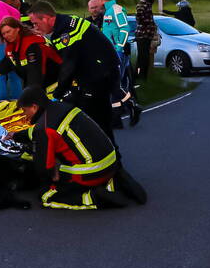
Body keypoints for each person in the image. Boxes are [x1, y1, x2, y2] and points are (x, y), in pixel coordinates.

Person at [12, 86, 145, 210]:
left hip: (92, 173)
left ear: (34, 107)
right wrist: (16, 136)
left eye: (25, 110)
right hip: (112, 161)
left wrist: (45, 167)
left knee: (45, 196)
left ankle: (94, 198)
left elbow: (44, 169)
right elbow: (40, 131)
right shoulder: (64, 107)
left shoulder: (43, 128)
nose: (25, 115)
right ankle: (115, 181)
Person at [28, 0, 121, 144]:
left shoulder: (65, 32)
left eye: (35, 23)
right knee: (93, 119)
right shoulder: (63, 25)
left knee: (96, 122)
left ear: (46, 18)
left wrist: (57, 93)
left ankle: (112, 159)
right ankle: (108, 154)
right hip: (97, 73)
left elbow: (68, 65)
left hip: (100, 75)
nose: (35, 27)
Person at [94, 0, 140, 128]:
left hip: (116, 52)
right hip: (110, 53)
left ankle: (132, 106)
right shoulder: (108, 11)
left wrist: (119, 47)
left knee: (114, 84)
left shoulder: (116, 9)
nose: (96, 3)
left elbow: (125, 28)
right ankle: (116, 119)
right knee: (113, 84)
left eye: (96, 0)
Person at [0, 16, 62, 93]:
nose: (6, 36)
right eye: (3, 34)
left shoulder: (31, 45)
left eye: (8, 32)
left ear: (17, 29)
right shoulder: (12, 47)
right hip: (41, 84)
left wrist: (29, 95)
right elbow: (6, 64)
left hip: (57, 83)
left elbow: (35, 73)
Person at [133, 0, 158, 84]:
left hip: (146, 34)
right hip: (143, 34)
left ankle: (140, 77)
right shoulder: (144, 3)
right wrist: (148, 24)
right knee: (143, 58)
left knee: (144, 58)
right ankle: (140, 78)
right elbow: (139, 17)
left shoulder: (147, 3)